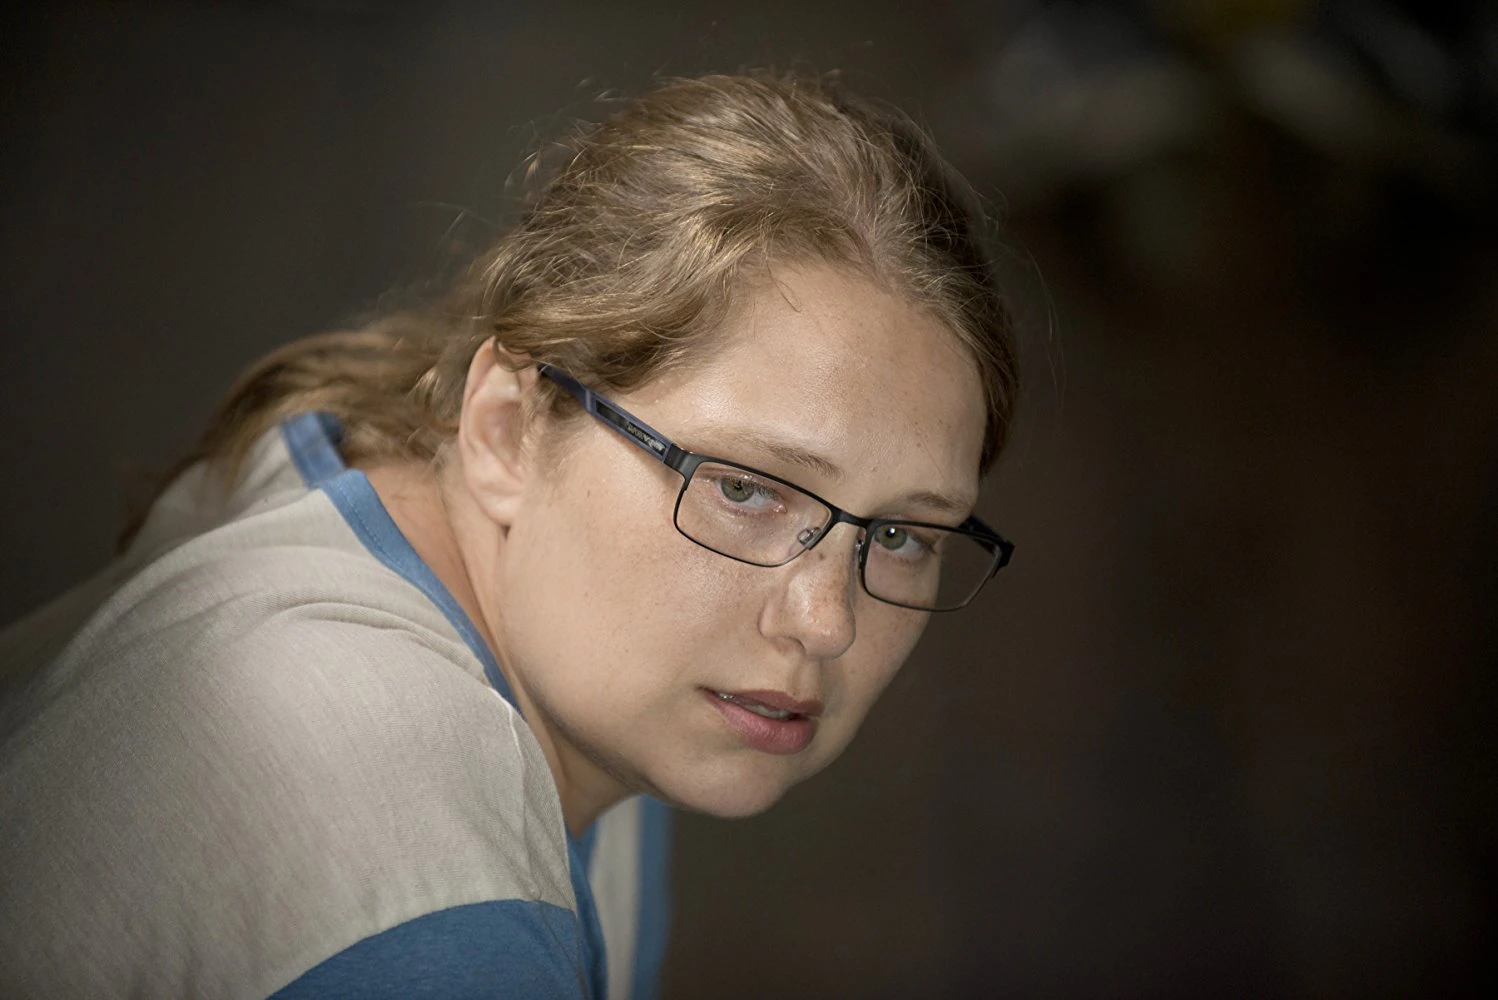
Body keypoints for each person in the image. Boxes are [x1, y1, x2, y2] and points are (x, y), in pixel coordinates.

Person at [0, 71, 1018, 998]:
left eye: (900, 534)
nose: (827, 622)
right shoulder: (417, 873)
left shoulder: (418, 518)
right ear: (505, 428)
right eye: (747, 490)